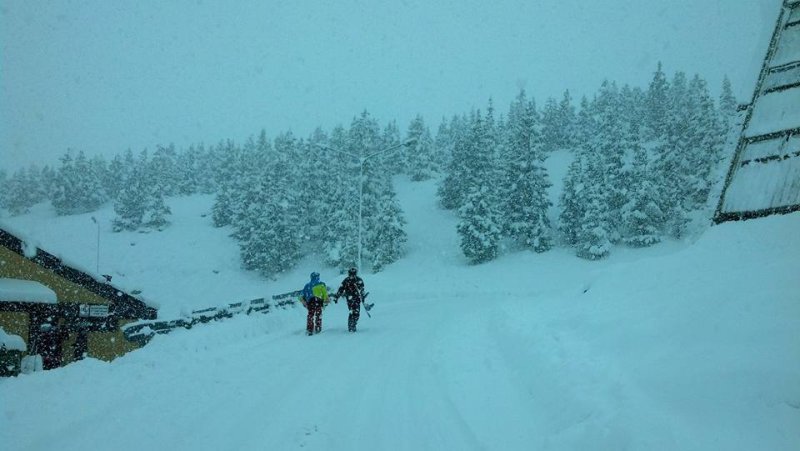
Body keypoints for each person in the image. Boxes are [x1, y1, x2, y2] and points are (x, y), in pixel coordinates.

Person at [333, 267, 365, 333]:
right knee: (352, 311)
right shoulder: (346, 280)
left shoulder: (359, 280)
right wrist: (337, 297)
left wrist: (363, 296)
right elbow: (341, 289)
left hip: (357, 298)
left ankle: (353, 324)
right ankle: (351, 326)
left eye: (353, 274)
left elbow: (362, 290)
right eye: (351, 274)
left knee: (356, 312)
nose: (352, 275)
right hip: (350, 299)